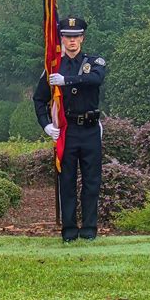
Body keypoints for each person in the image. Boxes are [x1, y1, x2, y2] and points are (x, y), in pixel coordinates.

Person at [33, 16, 106, 242]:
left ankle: (89, 230)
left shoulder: (94, 62)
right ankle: (69, 230)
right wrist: (46, 125)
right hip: (67, 130)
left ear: (82, 38)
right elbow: (39, 99)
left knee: (91, 181)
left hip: (91, 129)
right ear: (61, 38)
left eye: (76, 36)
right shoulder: (53, 66)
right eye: (67, 36)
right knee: (67, 181)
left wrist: (68, 81)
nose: (72, 41)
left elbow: (96, 79)